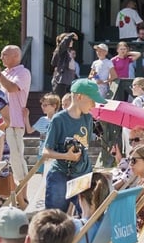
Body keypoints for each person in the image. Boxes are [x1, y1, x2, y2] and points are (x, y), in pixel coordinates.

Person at [42, 79, 105, 213]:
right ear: (79, 97)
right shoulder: (58, 120)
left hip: (83, 174)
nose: (94, 105)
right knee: (55, 218)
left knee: (89, 215)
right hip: (60, 174)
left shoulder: (87, 118)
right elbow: (46, 151)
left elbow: (84, 147)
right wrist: (66, 156)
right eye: (91, 100)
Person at [0, 44, 31, 181]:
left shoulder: (23, 73)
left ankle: (23, 194)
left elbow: (11, 88)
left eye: (4, 54)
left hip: (14, 123)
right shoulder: (3, 74)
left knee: (16, 158)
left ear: (16, 56)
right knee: (0, 158)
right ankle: (6, 192)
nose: (1, 58)